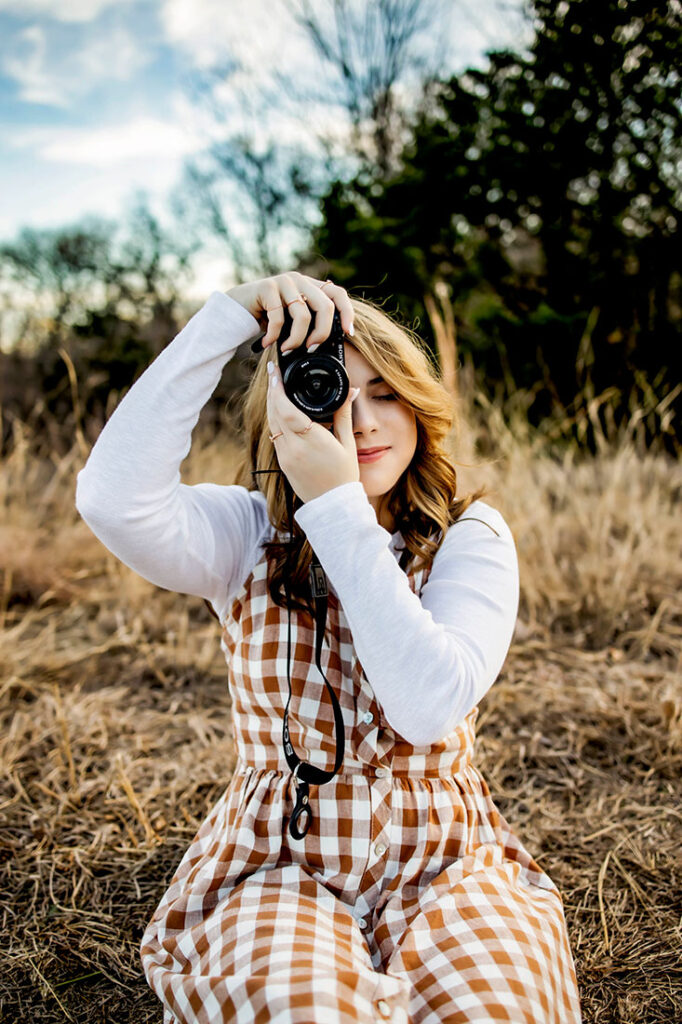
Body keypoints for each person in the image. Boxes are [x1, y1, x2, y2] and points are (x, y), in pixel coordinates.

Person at [75, 271, 583, 1023]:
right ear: (283, 411)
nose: (362, 422)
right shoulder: (248, 535)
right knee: (306, 1008)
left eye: (385, 394)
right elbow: (110, 499)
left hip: (444, 859)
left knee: (493, 1010)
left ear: (419, 405)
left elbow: (425, 705)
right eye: (330, 390)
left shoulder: (471, 538)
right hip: (280, 861)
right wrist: (231, 316)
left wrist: (337, 504)